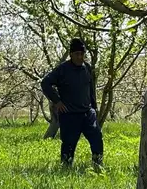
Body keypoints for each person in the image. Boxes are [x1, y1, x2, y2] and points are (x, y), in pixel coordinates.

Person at [41, 38, 104, 168]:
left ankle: (98, 165)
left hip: (87, 113)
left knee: (97, 138)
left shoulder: (86, 68)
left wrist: (94, 107)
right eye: (77, 54)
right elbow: (45, 83)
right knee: (68, 145)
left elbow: (90, 89)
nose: (80, 57)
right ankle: (66, 168)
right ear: (71, 54)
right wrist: (57, 101)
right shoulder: (62, 69)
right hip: (69, 114)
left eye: (82, 54)